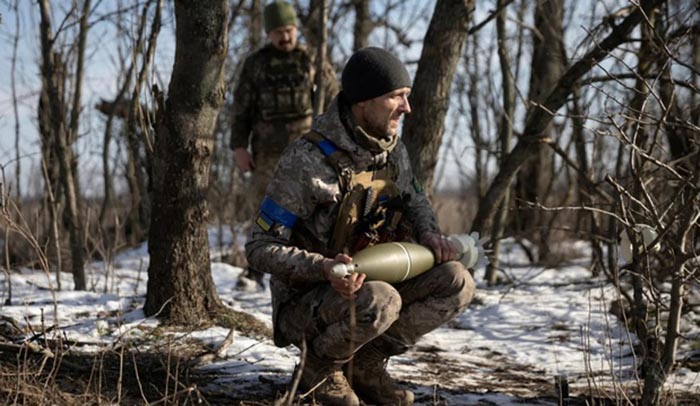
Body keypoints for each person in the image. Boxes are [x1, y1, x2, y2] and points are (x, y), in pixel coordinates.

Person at [246, 47, 475, 406]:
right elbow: (260, 248)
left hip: (374, 281)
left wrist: (429, 233)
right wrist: (323, 268)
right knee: (381, 299)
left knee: (456, 281)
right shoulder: (306, 160)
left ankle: (365, 365)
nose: (407, 108)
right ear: (363, 102)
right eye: (396, 97)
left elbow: (415, 200)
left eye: (407, 96)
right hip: (308, 302)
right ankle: (318, 368)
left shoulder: (393, 151)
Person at [230, 1, 338, 290]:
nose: (285, 37)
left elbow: (335, 100)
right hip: (267, 154)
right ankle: (255, 272)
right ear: (268, 33)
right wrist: (239, 147)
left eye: (289, 30)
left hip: (309, 152)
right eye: (278, 32)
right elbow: (240, 109)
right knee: (265, 213)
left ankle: (310, 268)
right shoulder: (256, 64)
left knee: (312, 212)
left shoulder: (312, 59)